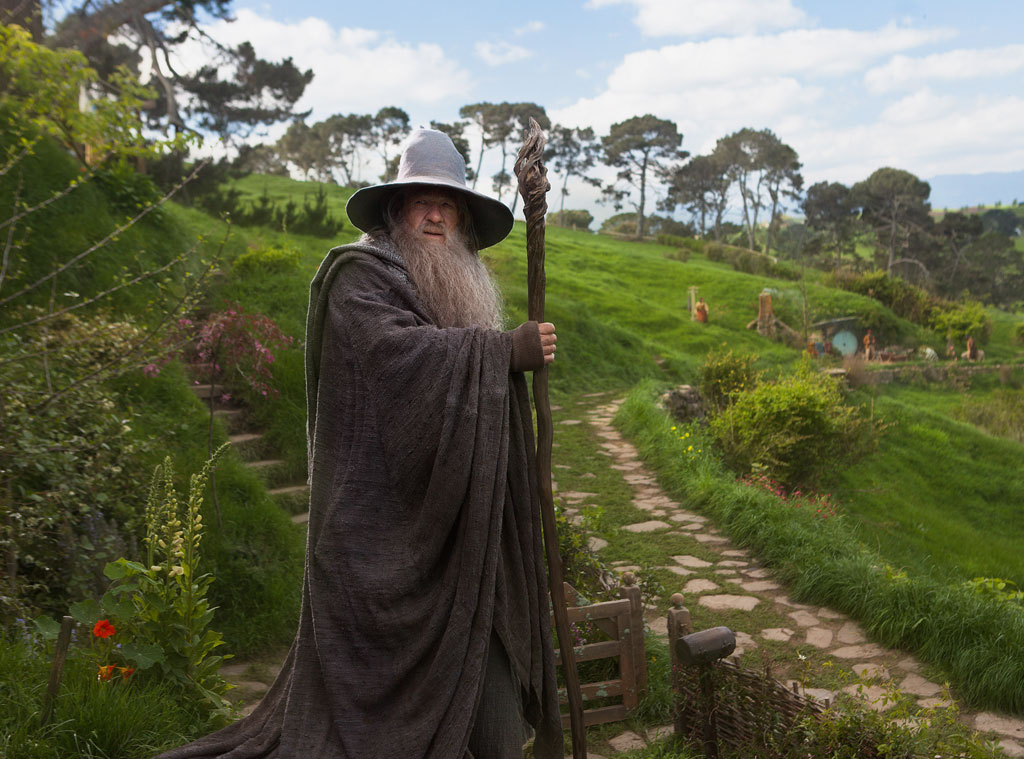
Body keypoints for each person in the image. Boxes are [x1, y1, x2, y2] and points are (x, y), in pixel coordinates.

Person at [157, 129, 563, 758]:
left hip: (460, 528)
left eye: (449, 203)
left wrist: (500, 361)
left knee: (491, 649)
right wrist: (502, 352)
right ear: (396, 210)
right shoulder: (357, 281)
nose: (435, 214)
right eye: (421, 200)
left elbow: (462, 406)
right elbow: (393, 358)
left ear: (462, 218)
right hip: (374, 532)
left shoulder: (459, 289)